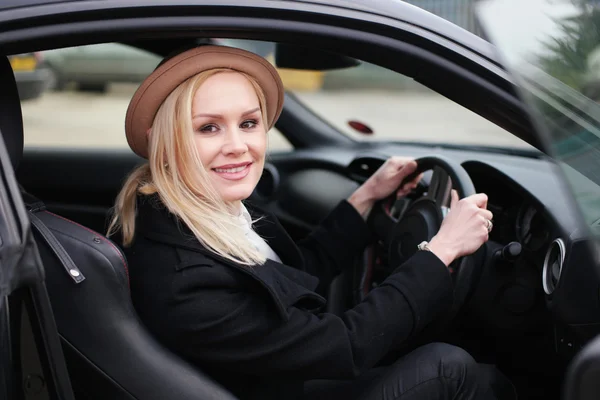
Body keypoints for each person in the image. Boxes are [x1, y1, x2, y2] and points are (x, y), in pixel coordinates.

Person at [108, 45, 501, 400]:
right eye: (208, 127)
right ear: (162, 141)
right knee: (450, 368)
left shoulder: (207, 210)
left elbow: (293, 274)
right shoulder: (185, 281)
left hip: (280, 377)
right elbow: (346, 347)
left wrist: (364, 198)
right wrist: (442, 250)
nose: (238, 146)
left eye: (248, 123)